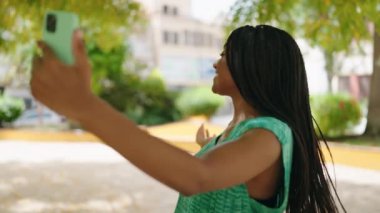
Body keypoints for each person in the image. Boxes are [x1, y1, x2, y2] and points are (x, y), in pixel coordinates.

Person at [31, 25, 346, 212]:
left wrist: (85, 107)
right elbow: (228, 168)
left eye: (225, 54)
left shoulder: (270, 135)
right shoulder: (241, 135)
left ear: (253, 66)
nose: (215, 62)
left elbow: (197, 177)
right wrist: (210, 144)